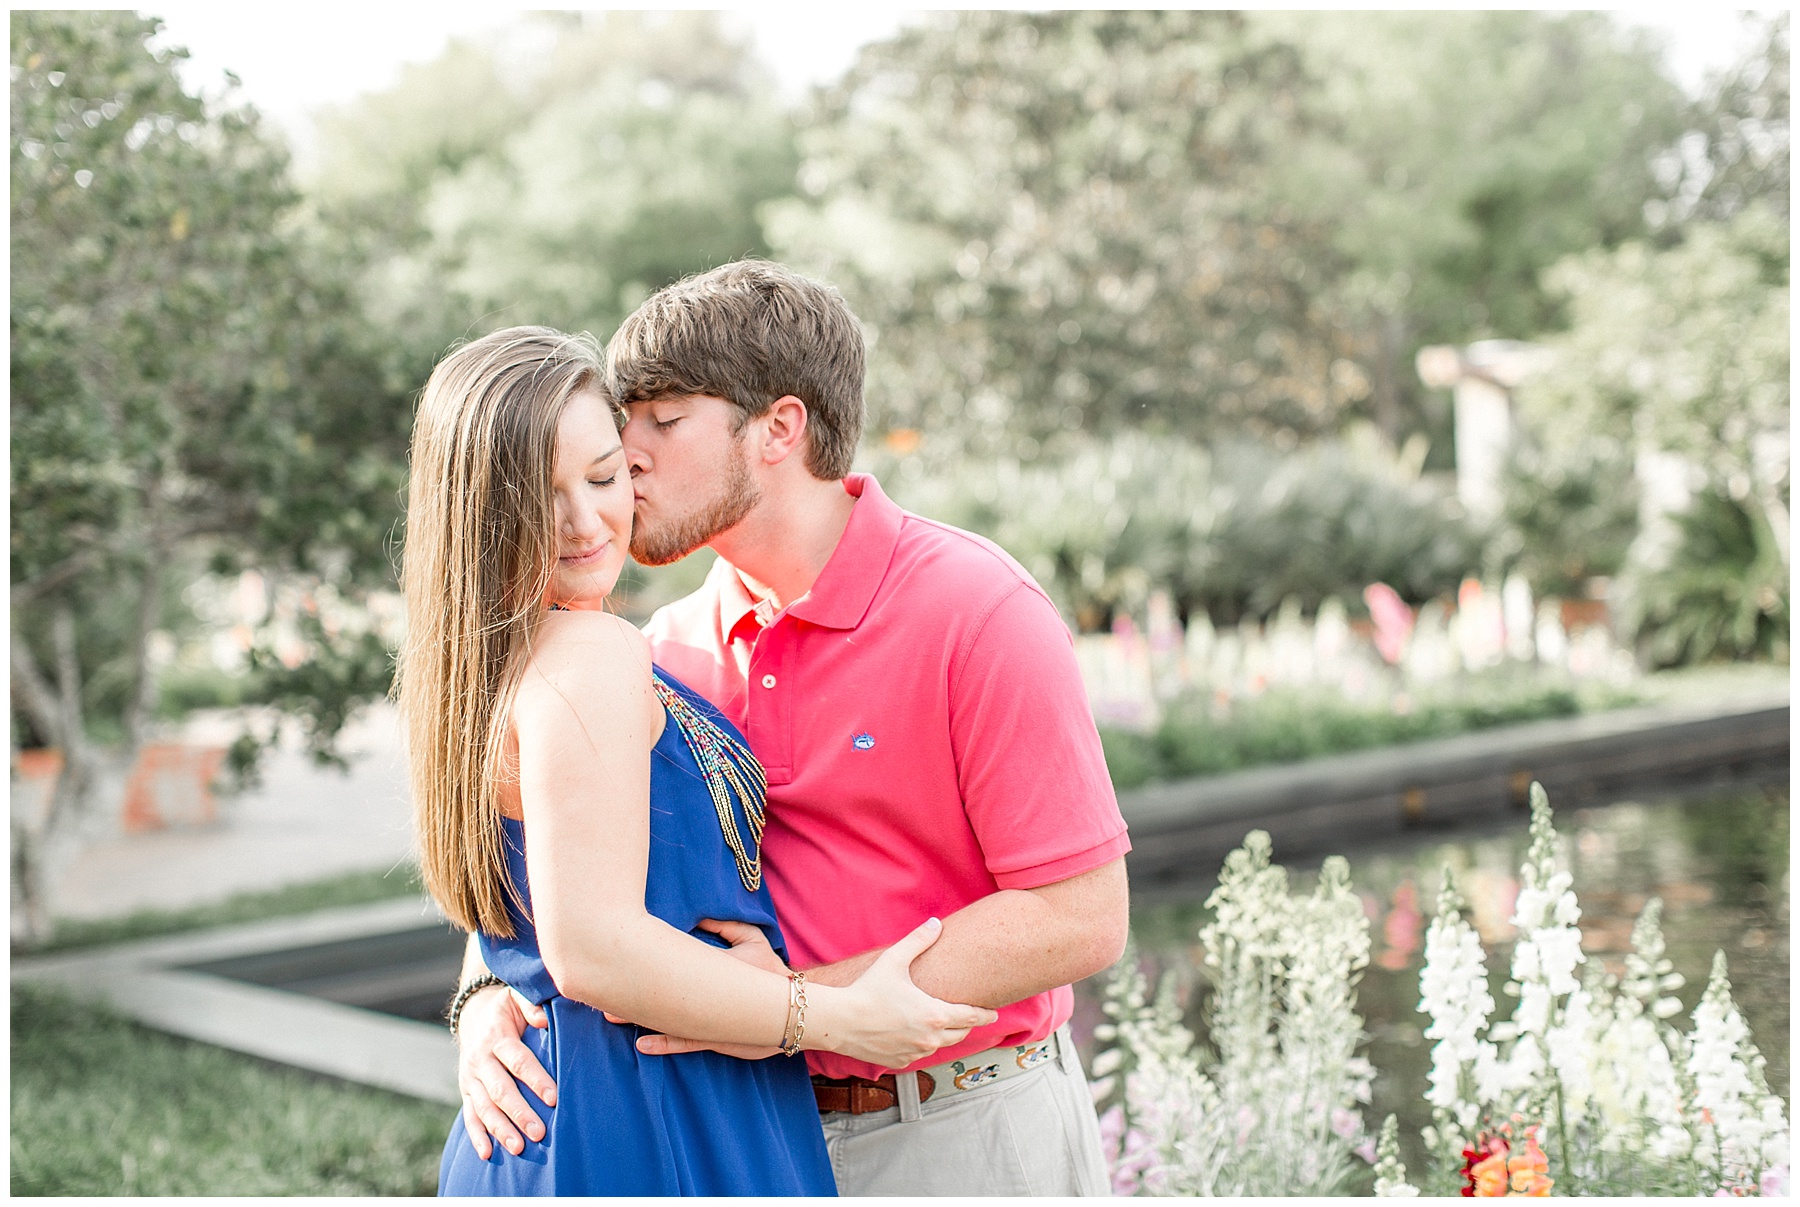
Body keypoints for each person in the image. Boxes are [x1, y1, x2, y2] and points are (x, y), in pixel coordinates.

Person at [453, 263, 1132, 1196]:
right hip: (748, 1134)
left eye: (663, 418)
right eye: (625, 418)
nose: (627, 447)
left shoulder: (977, 610)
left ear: (779, 428)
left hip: (958, 1122)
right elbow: (555, 862)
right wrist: (485, 995)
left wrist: (802, 1006)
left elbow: (1080, 917)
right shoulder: (666, 646)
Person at [397, 326, 996, 1196]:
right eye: (538, 496)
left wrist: (479, 992)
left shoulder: (480, 662)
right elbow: (591, 948)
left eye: (605, 477)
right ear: (479, 513)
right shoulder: (591, 652)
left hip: (563, 1107)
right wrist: (837, 1016)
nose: (584, 520)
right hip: (651, 1107)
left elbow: (531, 882)